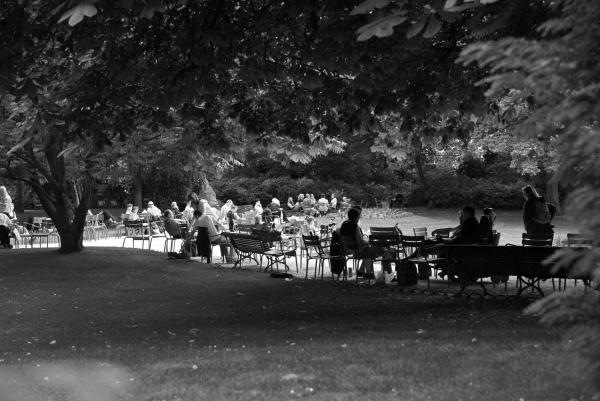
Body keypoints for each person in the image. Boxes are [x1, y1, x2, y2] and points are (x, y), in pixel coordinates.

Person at [338, 206, 384, 279]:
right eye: (359, 217)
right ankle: (369, 274)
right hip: (357, 250)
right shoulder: (355, 226)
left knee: (368, 252)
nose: (359, 218)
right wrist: (368, 242)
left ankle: (361, 271)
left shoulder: (344, 224)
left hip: (347, 250)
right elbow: (359, 242)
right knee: (378, 250)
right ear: (356, 217)